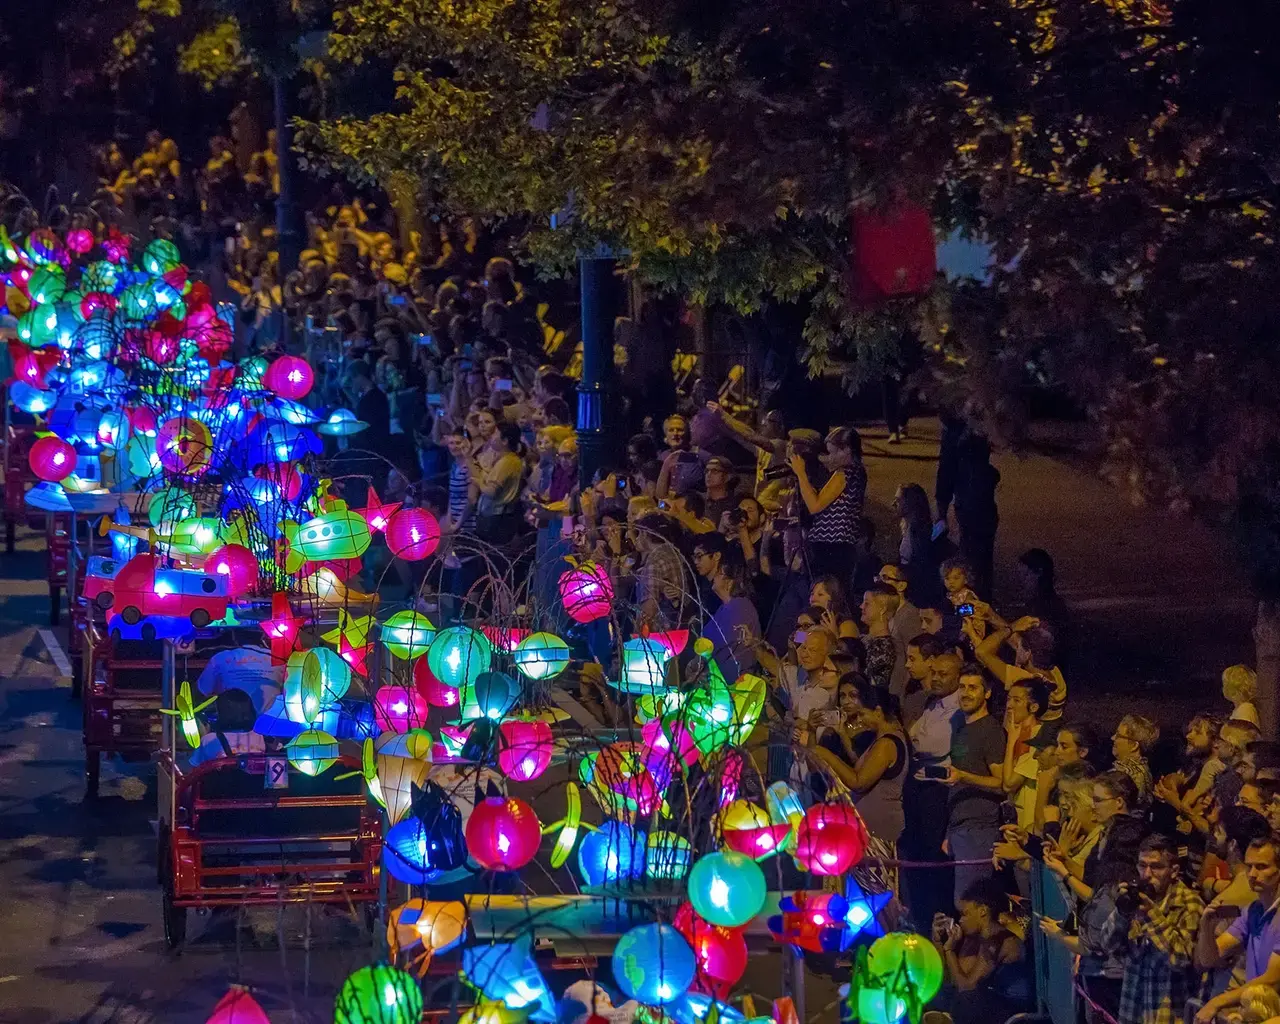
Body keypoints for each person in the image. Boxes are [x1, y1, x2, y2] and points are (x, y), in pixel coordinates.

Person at [807, 676, 909, 845]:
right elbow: (859, 764)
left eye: (863, 714)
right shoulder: (881, 739)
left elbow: (858, 782)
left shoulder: (887, 743)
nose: (859, 719)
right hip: (867, 830)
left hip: (880, 834)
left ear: (878, 712)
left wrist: (826, 754)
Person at [1191, 809, 1274, 1011]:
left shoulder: (1239, 896)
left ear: (1233, 843)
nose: (1214, 837)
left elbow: (1202, 961)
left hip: (1237, 1003)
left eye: (1219, 831)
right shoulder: (1250, 904)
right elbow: (1210, 956)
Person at [1117, 835, 1204, 1024]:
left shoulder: (1189, 904)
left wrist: (1151, 916)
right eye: (1142, 865)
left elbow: (1180, 959)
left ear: (1174, 871)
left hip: (1169, 1015)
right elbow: (1106, 945)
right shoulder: (1135, 898)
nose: (1147, 874)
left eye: (1156, 867)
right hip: (1133, 1011)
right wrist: (1121, 913)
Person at [938, 666, 1007, 899]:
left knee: (972, 904)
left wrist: (964, 776)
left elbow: (1001, 783)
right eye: (962, 687)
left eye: (973, 688)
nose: (965, 693)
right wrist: (950, 831)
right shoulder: (961, 729)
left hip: (980, 829)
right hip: (960, 827)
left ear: (987, 694)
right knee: (962, 904)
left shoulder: (991, 731)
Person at [932, 879, 1026, 1024]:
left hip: (1015, 1007)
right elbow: (951, 980)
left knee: (966, 1003)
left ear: (982, 911)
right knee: (938, 994)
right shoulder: (977, 940)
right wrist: (938, 942)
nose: (961, 920)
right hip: (996, 1003)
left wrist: (949, 950)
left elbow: (966, 988)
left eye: (965, 914)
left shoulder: (997, 940)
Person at [790, 426, 866, 585]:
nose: (830, 458)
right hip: (837, 546)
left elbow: (814, 506)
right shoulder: (857, 472)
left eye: (832, 453)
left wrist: (801, 474)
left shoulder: (845, 473)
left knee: (827, 592)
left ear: (847, 450)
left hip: (831, 547)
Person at [1000, 679, 1052, 832]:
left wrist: (1011, 741)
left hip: (1030, 823)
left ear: (1034, 707)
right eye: (1008, 699)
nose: (1009, 705)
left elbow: (1009, 784)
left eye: (1017, 700)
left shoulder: (1037, 737)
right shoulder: (1021, 735)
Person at [700, 558, 761, 683]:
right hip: (715, 678)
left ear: (730, 582)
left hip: (734, 683)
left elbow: (727, 648)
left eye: (719, 573)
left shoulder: (740, 607)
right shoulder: (724, 608)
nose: (714, 577)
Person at [470, 421, 526, 545]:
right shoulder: (506, 460)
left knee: (494, 556)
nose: (492, 436)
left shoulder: (507, 462)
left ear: (505, 441)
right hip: (494, 518)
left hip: (497, 520)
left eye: (495, 433)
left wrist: (479, 482)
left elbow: (491, 492)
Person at [859, 584, 903, 692]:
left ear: (882, 609)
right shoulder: (864, 639)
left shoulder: (883, 647)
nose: (861, 606)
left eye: (867, 603)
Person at [1112, 714, 1159, 802]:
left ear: (1134, 745)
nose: (1113, 738)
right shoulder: (1131, 769)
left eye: (1118, 735)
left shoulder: (1132, 776)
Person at [701, 456, 740, 523]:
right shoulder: (697, 500)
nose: (709, 474)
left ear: (727, 477)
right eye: (707, 471)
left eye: (715, 471)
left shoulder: (736, 504)